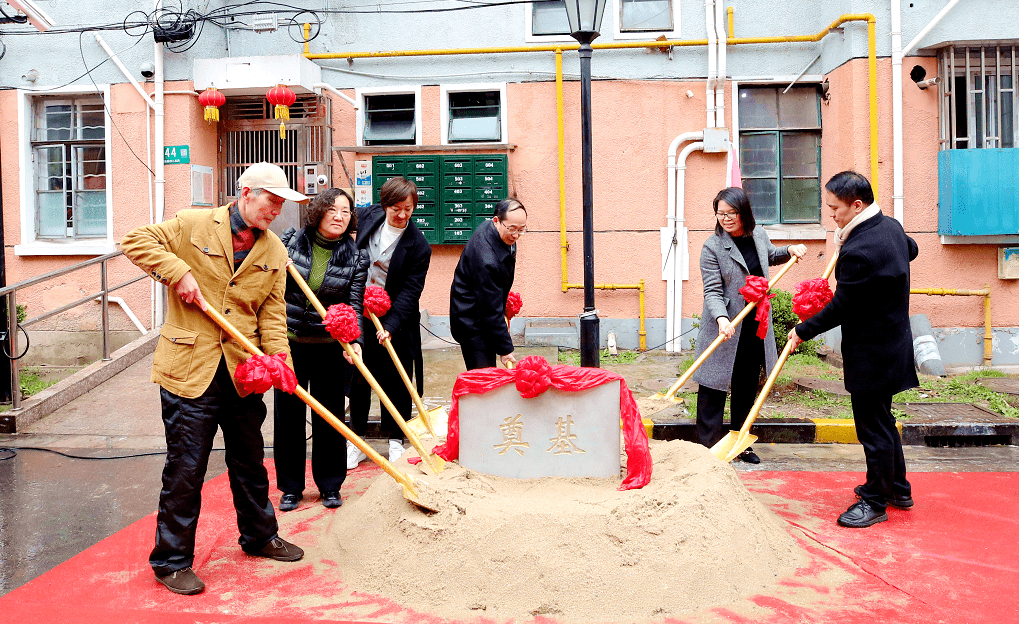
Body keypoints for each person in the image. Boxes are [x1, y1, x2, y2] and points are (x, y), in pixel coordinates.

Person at [121, 162, 308, 596]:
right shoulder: (194, 224)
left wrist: (280, 361)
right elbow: (135, 240)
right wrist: (177, 271)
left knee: (249, 461)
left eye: (282, 204)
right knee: (186, 467)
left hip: (241, 372)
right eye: (272, 200)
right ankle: (171, 561)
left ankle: (260, 536)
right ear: (246, 193)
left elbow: (272, 313)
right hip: (192, 369)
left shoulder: (275, 250)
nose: (276, 210)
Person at [788, 171, 918, 528]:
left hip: (872, 354)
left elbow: (842, 307)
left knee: (872, 429)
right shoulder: (890, 227)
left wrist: (803, 330)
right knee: (883, 421)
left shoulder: (859, 250)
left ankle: (875, 502)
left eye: (835, 208)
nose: (831, 214)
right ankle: (897, 488)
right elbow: (912, 249)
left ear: (856, 205)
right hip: (894, 344)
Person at [692, 187, 806, 464]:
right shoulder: (713, 247)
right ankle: (709, 447)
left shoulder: (758, 235)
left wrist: (789, 249)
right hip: (727, 324)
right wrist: (721, 319)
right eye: (720, 214)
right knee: (713, 385)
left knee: (745, 385)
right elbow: (713, 291)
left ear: (744, 213)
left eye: (731, 213)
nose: (726, 219)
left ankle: (740, 442)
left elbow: (767, 256)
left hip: (755, 324)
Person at [274, 188, 369, 511]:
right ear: (318, 212)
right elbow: (273, 291)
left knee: (329, 416)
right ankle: (290, 487)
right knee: (288, 417)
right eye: (333, 210)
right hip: (290, 343)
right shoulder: (289, 243)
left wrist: (355, 339)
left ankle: (330, 485)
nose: (340, 216)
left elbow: (354, 303)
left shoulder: (355, 256)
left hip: (330, 347)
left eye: (346, 211)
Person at [347, 177, 432, 468]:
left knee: (396, 379)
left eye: (408, 208)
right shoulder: (369, 217)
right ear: (384, 206)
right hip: (360, 313)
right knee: (359, 378)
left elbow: (411, 291)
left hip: (397, 319)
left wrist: (391, 327)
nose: (402, 214)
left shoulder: (418, 245)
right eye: (396, 208)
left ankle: (397, 441)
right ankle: (356, 441)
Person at [450, 198, 527, 371]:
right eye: (512, 229)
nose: (516, 235)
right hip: (471, 321)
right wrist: (505, 349)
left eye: (522, 230)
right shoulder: (486, 260)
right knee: (483, 378)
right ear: (496, 221)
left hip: (481, 312)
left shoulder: (493, 230)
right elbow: (490, 309)